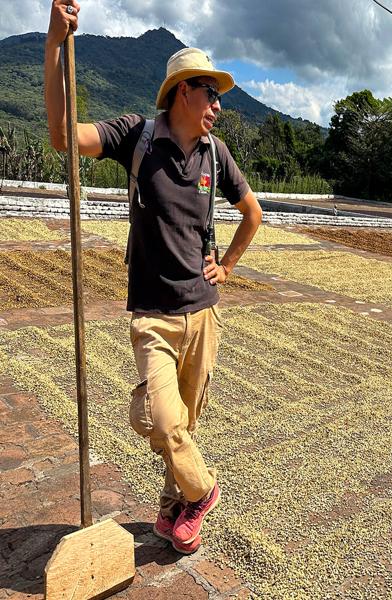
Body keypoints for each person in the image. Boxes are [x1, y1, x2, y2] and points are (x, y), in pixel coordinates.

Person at [44, 0, 262, 554]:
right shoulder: (136, 136)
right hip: (154, 317)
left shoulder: (217, 154)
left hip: (204, 313)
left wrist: (228, 265)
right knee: (159, 418)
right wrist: (52, 47)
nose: (216, 103)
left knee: (185, 423)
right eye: (209, 91)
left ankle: (175, 511)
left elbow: (253, 213)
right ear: (181, 91)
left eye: (217, 94)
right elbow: (64, 137)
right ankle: (204, 489)